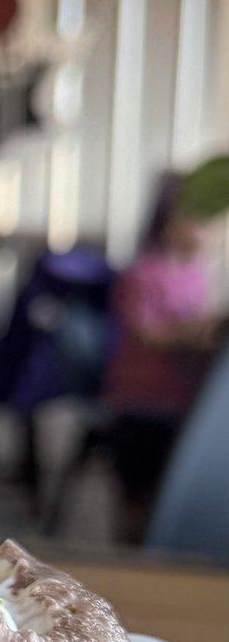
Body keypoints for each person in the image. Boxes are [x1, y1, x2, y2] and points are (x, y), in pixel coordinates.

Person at [104, 172, 219, 539]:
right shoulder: (141, 275)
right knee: (138, 501)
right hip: (142, 406)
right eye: (198, 220)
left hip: (183, 406)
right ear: (168, 221)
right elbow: (150, 334)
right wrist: (195, 331)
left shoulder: (197, 275)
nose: (207, 231)